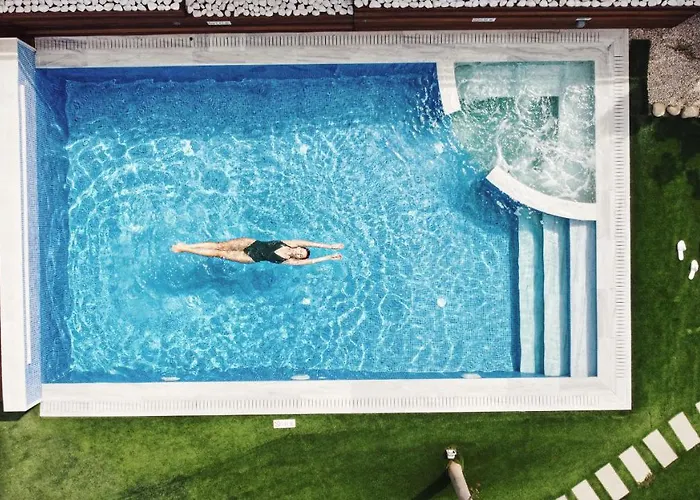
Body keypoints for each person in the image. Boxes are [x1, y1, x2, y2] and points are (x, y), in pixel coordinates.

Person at [171, 238, 343, 266]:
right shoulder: (289, 243)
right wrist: (330, 246)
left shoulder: (287, 261)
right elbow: (309, 242)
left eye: (300, 256)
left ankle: (185, 249)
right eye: (300, 251)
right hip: (251, 242)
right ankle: (189, 245)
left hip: (250, 257)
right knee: (220, 245)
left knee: (218, 253)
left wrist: (328, 257)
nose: (298, 253)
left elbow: (310, 261)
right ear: (299, 247)